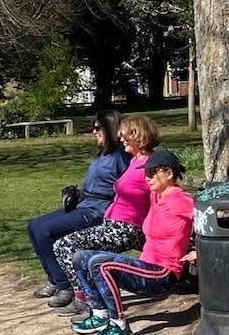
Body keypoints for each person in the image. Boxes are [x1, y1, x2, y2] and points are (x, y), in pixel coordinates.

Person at [69, 149, 194, 335]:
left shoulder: (179, 200)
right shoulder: (157, 196)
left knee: (101, 264)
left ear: (169, 174)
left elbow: (207, 216)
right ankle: (100, 315)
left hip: (163, 273)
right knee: (80, 257)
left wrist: (199, 251)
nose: (148, 178)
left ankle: (119, 325)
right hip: (145, 266)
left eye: (153, 173)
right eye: (146, 173)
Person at [49, 115, 160, 315]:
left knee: (64, 245)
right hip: (113, 223)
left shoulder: (150, 164)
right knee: (72, 249)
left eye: (125, 135)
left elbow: (162, 197)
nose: (121, 138)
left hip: (127, 228)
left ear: (138, 136)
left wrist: (155, 233)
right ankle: (90, 298)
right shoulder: (135, 161)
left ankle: (87, 301)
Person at [28, 110, 130, 305]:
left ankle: (64, 286)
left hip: (96, 211)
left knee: (44, 231)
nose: (93, 131)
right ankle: (54, 280)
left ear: (111, 128)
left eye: (97, 127)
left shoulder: (120, 157)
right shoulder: (104, 154)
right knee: (33, 226)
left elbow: (126, 187)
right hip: (83, 205)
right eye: (92, 127)